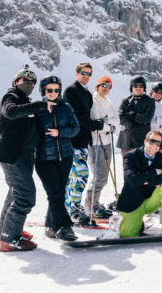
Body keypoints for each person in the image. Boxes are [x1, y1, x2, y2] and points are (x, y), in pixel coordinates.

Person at [0, 65, 49, 252]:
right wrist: (40, 105)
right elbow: (11, 112)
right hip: (12, 154)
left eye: (32, 81)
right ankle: (9, 239)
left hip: (25, 155)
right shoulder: (11, 97)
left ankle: (6, 231)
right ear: (16, 82)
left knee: (15, 193)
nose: (29, 83)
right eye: (25, 80)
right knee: (25, 195)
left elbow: (35, 129)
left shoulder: (25, 102)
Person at [34, 75, 80, 241]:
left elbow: (75, 128)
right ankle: (64, 227)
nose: (53, 93)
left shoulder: (65, 108)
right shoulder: (37, 110)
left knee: (59, 193)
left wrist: (60, 132)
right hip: (44, 159)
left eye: (56, 90)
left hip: (65, 157)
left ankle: (51, 226)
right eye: (49, 90)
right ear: (43, 91)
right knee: (54, 193)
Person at [117, 130, 162, 237]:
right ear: (145, 141)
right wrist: (155, 172)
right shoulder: (130, 156)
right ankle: (138, 222)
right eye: (152, 141)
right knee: (127, 235)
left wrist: (151, 182)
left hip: (150, 201)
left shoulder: (159, 157)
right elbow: (132, 179)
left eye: (158, 143)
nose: (154, 146)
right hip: (132, 204)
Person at [64, 62, 104, 224]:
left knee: (74, 176)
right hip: (73, 141)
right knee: (80, 175)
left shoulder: (86, 93)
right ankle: (72, 210)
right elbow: (77, 116)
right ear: (76, 73)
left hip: (83, 141)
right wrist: (95, 125)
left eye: (89, 74)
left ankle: (69, 208)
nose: (86, 76)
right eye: (83, 73)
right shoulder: (71, 91)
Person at [83, 75, 118, 219]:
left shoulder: (108, 102)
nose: (106, 88)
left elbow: (116, 120)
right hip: (95, 142)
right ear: (97, 86)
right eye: (103, 85)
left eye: (109, 86)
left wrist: (107, 123)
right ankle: (90, 206)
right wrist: (109, 126)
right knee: (100, 176)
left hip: (107, 142)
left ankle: (94, 204)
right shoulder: (93, 101)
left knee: (104, 176)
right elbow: (96, 123)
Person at [117, 75, 156, 157]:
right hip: (126, 141)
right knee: (127, 164)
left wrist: (132, 115)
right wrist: (138, 119)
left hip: (141, 141)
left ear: (144, 87)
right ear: (131, 87)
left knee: (141, 164)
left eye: (141, 86)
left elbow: (146, 118)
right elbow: (120, 119)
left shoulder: (150, 101)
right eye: (135, 86)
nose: (138, 88)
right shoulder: (125, 101)